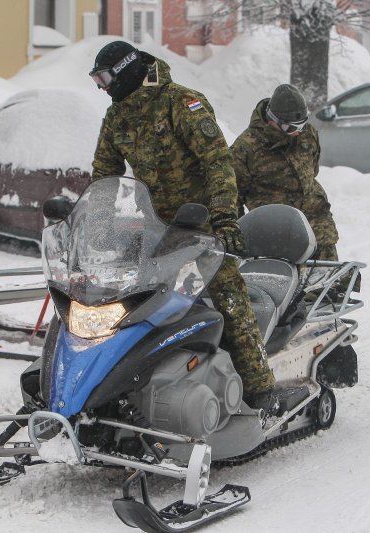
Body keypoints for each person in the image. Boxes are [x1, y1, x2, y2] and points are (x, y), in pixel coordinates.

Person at [89, 41, 276, 409]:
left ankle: (259, 386)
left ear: (127, 69)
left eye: (105, 77)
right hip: (155, 226)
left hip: (203, 223)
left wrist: (223, 218)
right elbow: (103, 175)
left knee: (226, 291)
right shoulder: (117, 117)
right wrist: (97, 229)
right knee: (130, 298)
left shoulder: (182, 103)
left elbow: (218, 163)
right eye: (96, 79)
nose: (102, 87)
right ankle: (127, 386)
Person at [231, 84, 339, 261]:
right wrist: (240, 242)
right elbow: (232, 198)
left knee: (329, 286)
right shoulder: (245, 148)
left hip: (319, 230)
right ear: (272, 119)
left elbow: (312, 171)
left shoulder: (307, 134)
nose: (297, 133)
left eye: (301, 125)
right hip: (277, 238)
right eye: (290, 128)